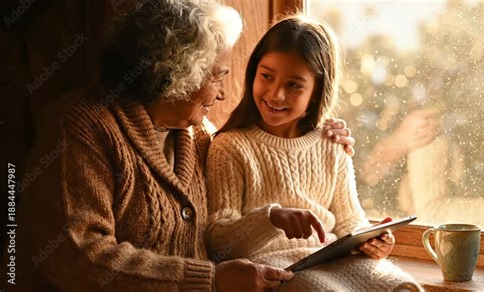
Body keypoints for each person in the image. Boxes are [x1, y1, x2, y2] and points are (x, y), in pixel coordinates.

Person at [9, 1, 356, 291]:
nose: (222, 92)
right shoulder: (83, 125)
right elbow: (78, 257)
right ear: (176, 75)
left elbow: (263, 166)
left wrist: (321, 135)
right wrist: (211, 280)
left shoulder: (199, 134)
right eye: (218, 75)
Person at [205, 14, 422, 291]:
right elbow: (220, 242)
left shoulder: (332, 144)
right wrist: (270, 219)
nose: (275, 94)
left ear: (317, 91)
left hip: (332, 259)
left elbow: (350, 221)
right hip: (272, 268)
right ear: (253, 73)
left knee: (403, 286)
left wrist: (372, 241)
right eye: (266, 76)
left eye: (294, 85)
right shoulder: (231, 147)